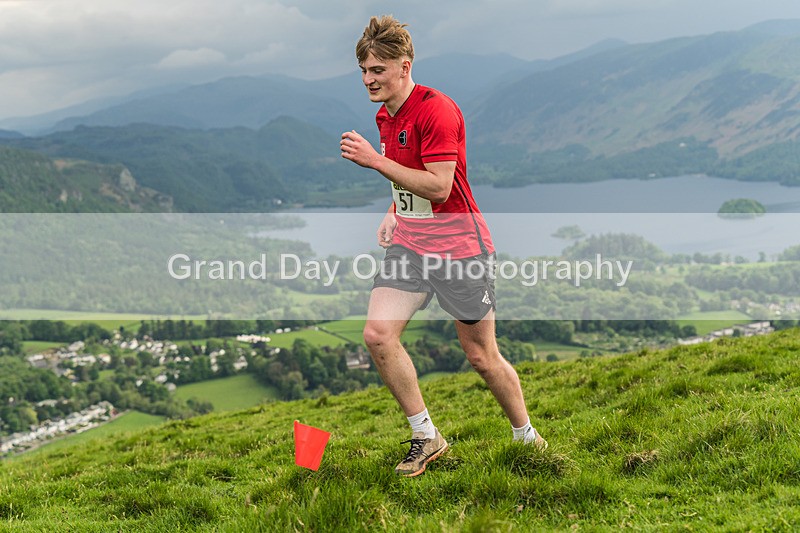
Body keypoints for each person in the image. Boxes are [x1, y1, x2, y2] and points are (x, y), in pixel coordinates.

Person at [340, 15, 547, 478]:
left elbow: (438, 187)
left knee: (481, 357)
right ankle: (426, 436)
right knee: (377, 335)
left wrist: (374, 162)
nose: (369, 80)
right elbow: (406, 175)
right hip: (412, 247)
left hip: (459, 249)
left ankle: (527, 438)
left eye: (377, 70)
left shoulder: (437, 111)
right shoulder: (385, 114)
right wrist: (394, 211)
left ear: (404, 66)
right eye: (364, 72)